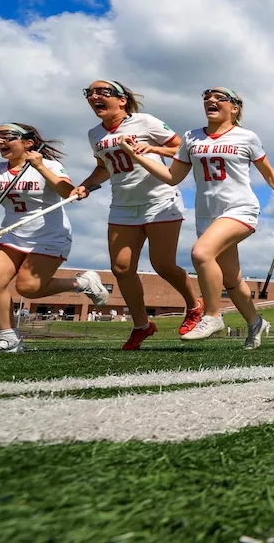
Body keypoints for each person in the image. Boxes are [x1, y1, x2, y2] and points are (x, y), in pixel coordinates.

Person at [118, 87, 274, 349]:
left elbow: (269, 174)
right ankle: (255, 322)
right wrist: (136, 155)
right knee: (232, 281)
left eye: (219, 98)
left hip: (240, 209)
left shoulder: (247, 137)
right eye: (206, 99)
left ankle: (212, 315)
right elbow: (172, 177)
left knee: (201, 254)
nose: (210, 101)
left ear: (234, 108)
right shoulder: (192, 137)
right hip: (207, 216)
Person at [73, 80, 201, 351]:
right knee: (121, 268)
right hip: (123, 206)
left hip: (160, 201)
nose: (94, 96)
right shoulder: (94, 134)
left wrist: (152, 149)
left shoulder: (145, 122)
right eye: (90, 93)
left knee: (163, 264)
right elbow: (104, 168)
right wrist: (86, 185)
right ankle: (142, 326)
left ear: (122, 100)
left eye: (102, 92)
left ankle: (194, 305)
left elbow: (182, 151)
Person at [0, 123, 108, 354]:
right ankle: (9, 340)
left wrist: (40, 166)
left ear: (28, 143)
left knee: (28, 288)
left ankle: (83, 283)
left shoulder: (50, 165)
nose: (0, 141)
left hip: (49, 235)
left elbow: (67, 192)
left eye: (8, 136)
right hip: (11, 232)